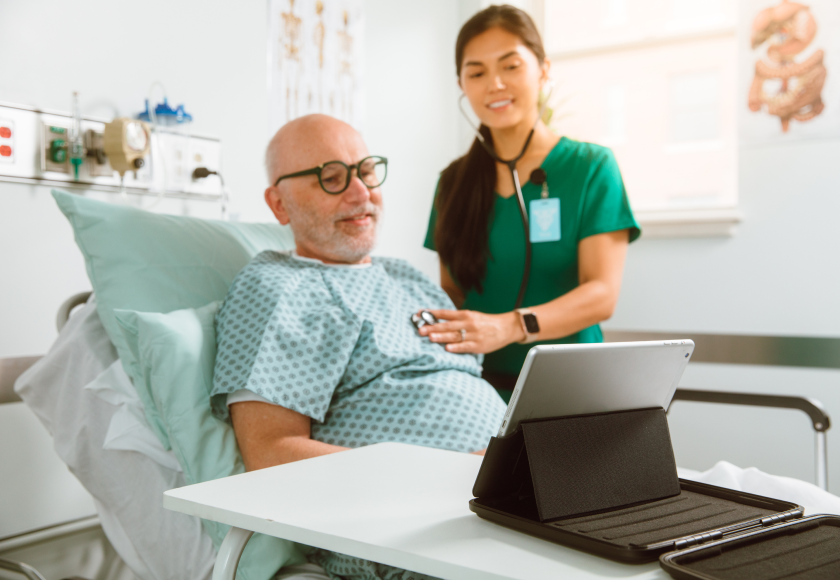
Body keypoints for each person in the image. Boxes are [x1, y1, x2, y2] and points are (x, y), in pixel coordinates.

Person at [211, 114, 506, 580]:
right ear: (279, 204)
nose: (361, 193)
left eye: (367, 172)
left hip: (503, 497)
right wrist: (444, 474)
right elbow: (270, 453)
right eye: (331, 178)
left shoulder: (407, 277)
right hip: (409, 527)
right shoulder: (277, 287)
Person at [422, 4, 641, 402]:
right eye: (477, 73)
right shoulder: (451, 183)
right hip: (473, 390)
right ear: (462, 84)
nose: (495, 84)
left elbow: (602, 294)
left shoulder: (591, 167)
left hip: (571, 387)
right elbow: (451, 293)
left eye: (510, 66)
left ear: (542, 70)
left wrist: (510, 326)